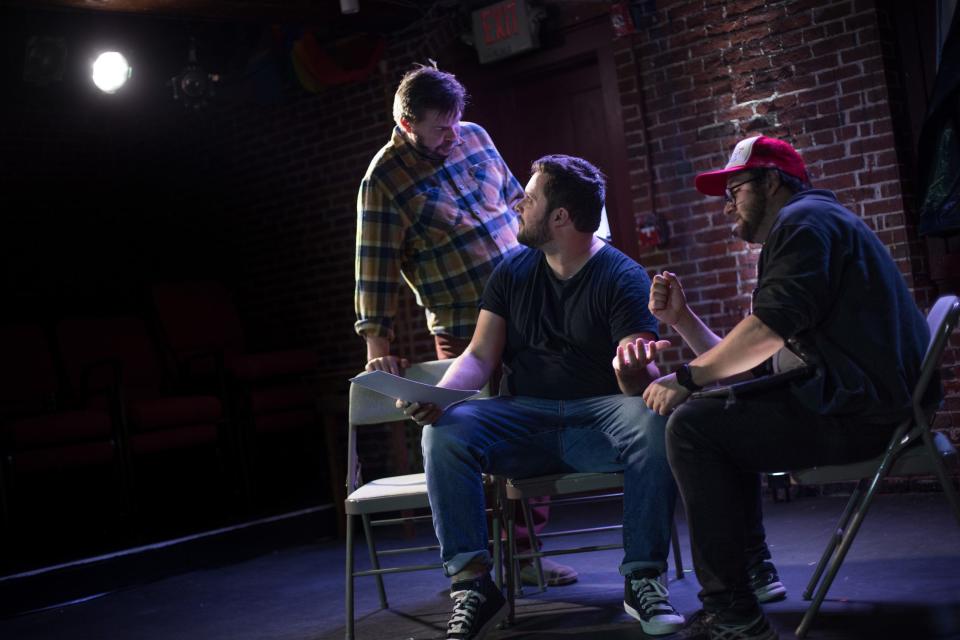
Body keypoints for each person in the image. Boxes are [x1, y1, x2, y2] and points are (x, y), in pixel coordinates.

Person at [641, 135, 937, 640]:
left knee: (694, 427)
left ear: (772, 181)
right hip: (871, 401)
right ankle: (751, 571)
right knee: (718, 413)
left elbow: (767, 332)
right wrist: (684, 320)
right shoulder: (814, 221)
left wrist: (687, 380)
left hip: (867, 414)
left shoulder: (803, 224)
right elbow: (762, 361)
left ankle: (734, 614)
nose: (727, 203)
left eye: (735, 189)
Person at [398, 155, 685, 640]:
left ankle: (642, 579)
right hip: (526, 420)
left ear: (560, 217)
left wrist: (634, 372)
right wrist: (442, 395)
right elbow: (478, 356)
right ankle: (473, 586)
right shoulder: (511, 272)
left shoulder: (623, 277)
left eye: (528, 199)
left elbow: (641, 378)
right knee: (444, 431)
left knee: (652, 420)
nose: (517, 206)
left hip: (599, 417)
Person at [354, 64, 574, 586]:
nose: (453, 134)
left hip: (531, 307)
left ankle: (525, 557)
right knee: (476, 442)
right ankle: (484, 564)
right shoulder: (384, 179)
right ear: (407, 124)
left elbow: (521, 203)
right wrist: (376, 348)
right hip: (464, 326)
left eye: (456, 121)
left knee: (537, 424)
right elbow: (374, 267)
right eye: (439, 127)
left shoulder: (474, 137)